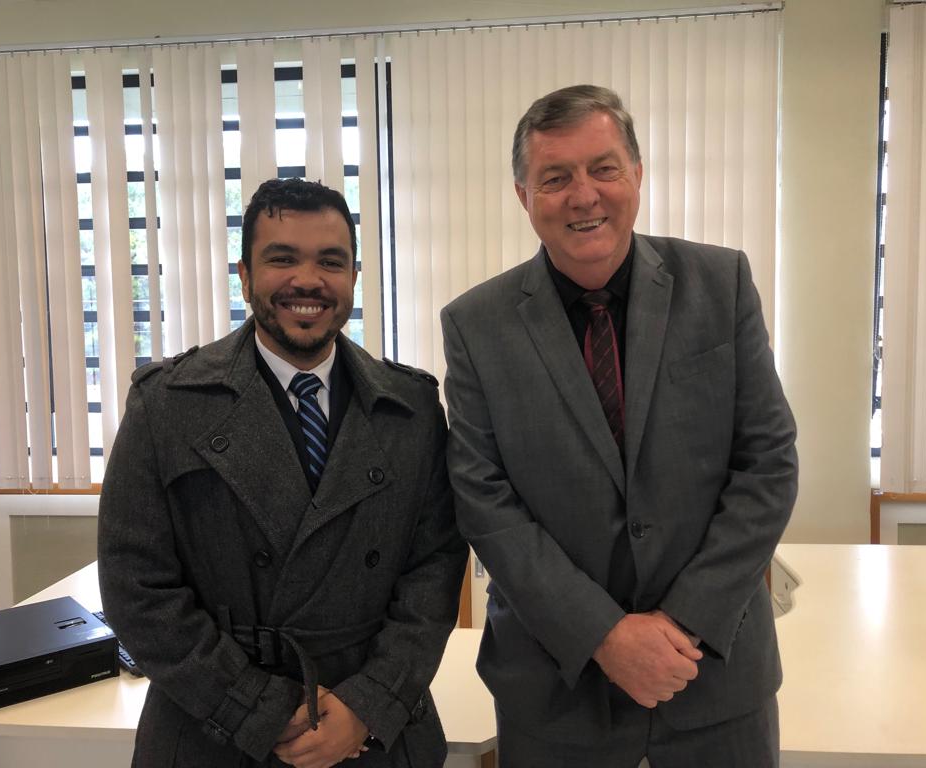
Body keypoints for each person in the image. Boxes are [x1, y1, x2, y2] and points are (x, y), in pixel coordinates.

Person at [440, 84, 798, 767]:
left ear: (636, 174)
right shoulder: (475, 325)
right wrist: (604, 635)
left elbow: (769, 463)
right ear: (524, 196)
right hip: (557, 690)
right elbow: (485, 501)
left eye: (603, 168)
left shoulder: (720, 284)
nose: (584, 195)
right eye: (556, 177)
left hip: (714, 677)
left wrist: (680, 623)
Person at [98, 178, 467, 768]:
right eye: (281, 259)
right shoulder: (166, 404)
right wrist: (259, 711)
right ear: (243, 275)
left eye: (330, 261)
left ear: (354, 276)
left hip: (372, 731)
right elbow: (135, 589)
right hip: (213, 730)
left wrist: (367, 707)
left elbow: (435, 573)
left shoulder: (413, 407)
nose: (307, 280)